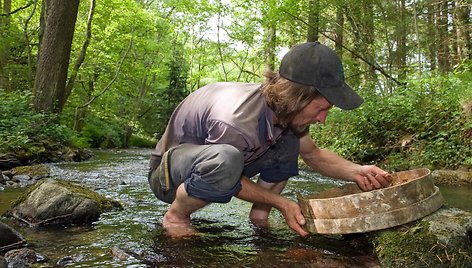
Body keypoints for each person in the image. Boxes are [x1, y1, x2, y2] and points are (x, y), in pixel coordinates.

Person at [148, 41, 392, 237]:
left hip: (213, 167)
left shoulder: (286, 112)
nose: (323, 119)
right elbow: (227, 174)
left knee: (288, 140)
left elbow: (313, 154)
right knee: (226, 159)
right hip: (168, 177)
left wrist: (357, 171)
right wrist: (282, 203)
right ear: (299, 97)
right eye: (322, 109)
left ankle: (259, 218)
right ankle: (176, 216)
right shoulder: (236, 120)